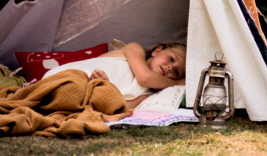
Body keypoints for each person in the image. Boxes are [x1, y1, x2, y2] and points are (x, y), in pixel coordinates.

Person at [42, 41, 186, 109]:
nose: (169, 68)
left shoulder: (149, 94)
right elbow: (145, 77)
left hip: (84, 98)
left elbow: (123, 106)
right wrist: (178, 83)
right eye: (171, 59)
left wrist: (106, 90)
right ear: (157, 50)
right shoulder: (135, 49)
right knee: (71, 88)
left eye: (176, 72)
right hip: (68, 77)